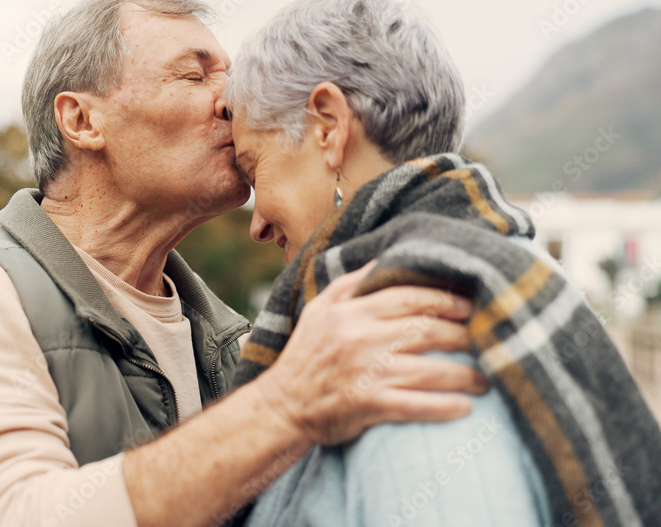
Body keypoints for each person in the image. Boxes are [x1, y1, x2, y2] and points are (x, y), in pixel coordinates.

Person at [0, 1, 492, 526]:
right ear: (82, 120)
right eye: (195, 75)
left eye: (231, 77)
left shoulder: (237, 339)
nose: (233, 102)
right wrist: (283, 406)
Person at [225, 0, 661, 525]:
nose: (257, 224)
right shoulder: (501, 269)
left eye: (255, 167)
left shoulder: (401, 330)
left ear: (328, 127)